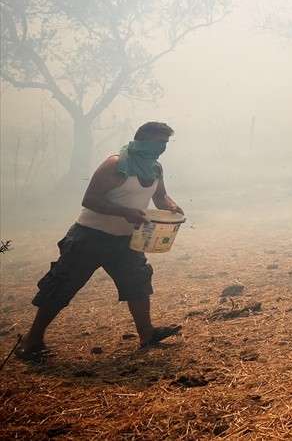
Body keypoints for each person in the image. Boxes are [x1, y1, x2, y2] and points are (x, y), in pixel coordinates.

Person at [15, 121, 186, 361]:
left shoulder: (155, 168)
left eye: (165, 144)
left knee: (137, 284)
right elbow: (90, 200)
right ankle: (31, 341)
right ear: (143, 139)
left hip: (127, 240)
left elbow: (159, 196)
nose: (162, 149)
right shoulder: (115, 164)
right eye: (159, 142)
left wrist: (171, 206)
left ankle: (147, 335)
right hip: (89, 236)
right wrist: (125, 212)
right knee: (62, 286)